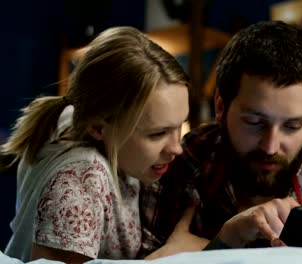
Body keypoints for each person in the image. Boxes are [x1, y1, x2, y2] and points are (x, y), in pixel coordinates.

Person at [139, 20, 302, 258]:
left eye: (293, 126)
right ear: (221, 106)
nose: (270, 146)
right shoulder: (184, 159)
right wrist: (220, 245)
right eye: (255, 122)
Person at [1, 26, 190, 262]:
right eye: (158, 133)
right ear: (98, 127)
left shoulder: (71, 117)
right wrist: (172, 253)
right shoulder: (81, 179)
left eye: (179, 125)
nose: (176, 148)